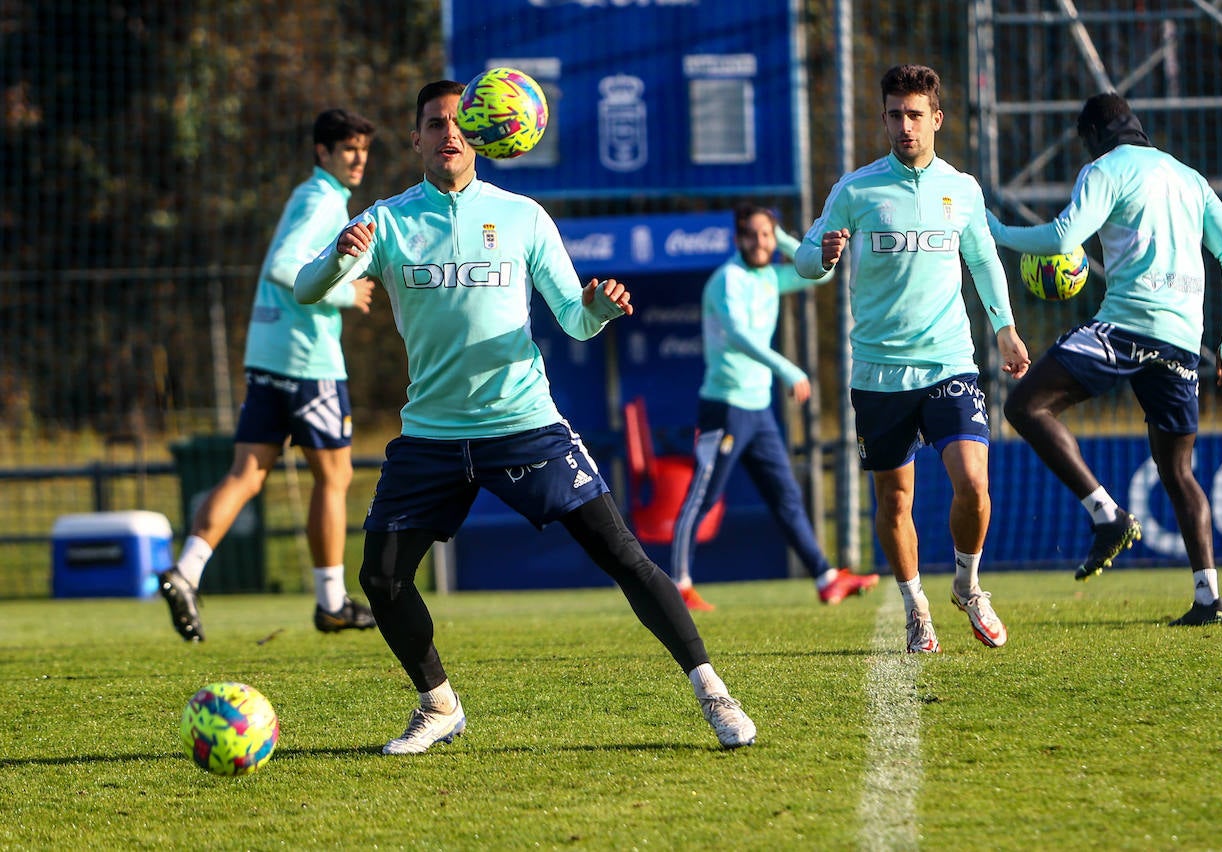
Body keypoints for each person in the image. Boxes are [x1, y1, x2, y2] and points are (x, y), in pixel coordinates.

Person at [293, 80, 756, 754]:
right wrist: (340, 254)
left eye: (459, 122)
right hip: (433, 436)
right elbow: (307, 289)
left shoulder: (523, 217)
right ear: (416, 138)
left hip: (524, 425)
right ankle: (439, 705)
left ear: (481, 135)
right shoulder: (386, 222)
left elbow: (574, 317)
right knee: (382, 578)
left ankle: (714, 693)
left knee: (623, 556)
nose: (448, 134)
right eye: (434, 124)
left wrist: (599, 307)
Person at [988, 92, 1222, 627]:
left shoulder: (1104, 170)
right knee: (1179, 471)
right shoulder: (1189, 178)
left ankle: (1107, 516)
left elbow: (1063, 237)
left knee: (1026, 407)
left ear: (1092, 135)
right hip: (1182, 338)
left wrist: (998, 231)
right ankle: (1209, 600)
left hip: (1127, 328)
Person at [795, 64, 1030, 653]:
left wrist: (1005, 330)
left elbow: (984, 261)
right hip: (878, 372)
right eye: (896, 115)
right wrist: (822, 255)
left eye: (916, 115)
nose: (906, 126)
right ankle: (915, 606)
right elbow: (804, 257)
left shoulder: (962, 189)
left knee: (973, 483)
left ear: (937, 119)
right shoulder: (856, 189)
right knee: (895, 500)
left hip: (949, 361)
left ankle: (968, 586)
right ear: (883, 119)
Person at [158, 108, 379, 642]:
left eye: (363, 149)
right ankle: (331, 602)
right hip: (307, 361)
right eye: (348, 149)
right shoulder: (322, 199)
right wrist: (346, 293)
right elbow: (283, 265)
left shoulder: (312, 196)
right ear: (322, 152)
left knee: (248, 473)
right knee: (334, 477)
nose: (358, 159)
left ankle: (186, 571)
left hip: (268, 354)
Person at [671, 203, 877, 612]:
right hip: (725, 407)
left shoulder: (769, 276)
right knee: (702, 498)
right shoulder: (728, 279)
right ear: (737, 239)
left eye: (766, 234)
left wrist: (781, 236)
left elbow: (822, 272)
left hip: (759, 411)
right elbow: (739, 335)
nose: (759, 242)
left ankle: (825, 578)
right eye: (751, 235)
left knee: (786, 496)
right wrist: (788, 369)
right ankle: (678, 585)